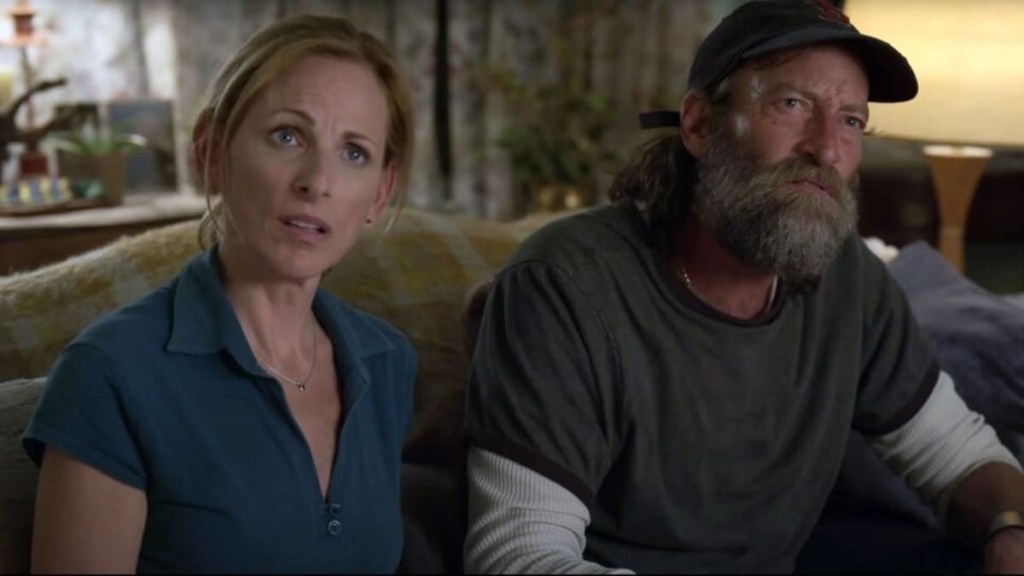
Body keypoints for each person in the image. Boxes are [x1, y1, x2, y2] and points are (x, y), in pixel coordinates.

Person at [463, 0, 1024, 573]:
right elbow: (518, 556)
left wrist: (1009, 527)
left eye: (851, 120)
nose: (827, 148)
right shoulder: (565, 285)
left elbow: (956, 456)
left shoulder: (850, 278)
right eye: (792, 104)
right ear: (699, 124)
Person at [22, 14, 416, 573]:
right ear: (210, 153)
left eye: (354, 152)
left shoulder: (388, 360)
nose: (317, 181)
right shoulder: (111, 373)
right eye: (288, 136)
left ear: (379, 193)